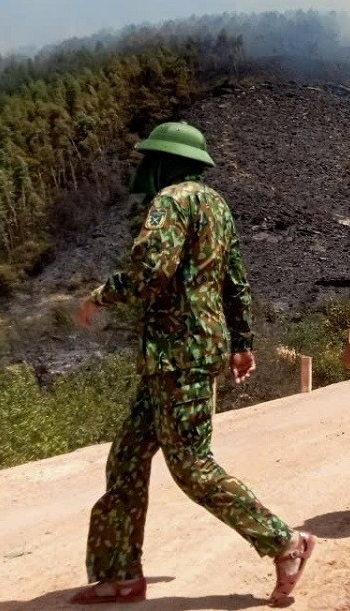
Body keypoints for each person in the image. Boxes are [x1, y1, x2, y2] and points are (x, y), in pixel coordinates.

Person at [72, 122, 314, 606]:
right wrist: (241, 342)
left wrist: (101, 296)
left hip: (176, 357)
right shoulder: (218, 207)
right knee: (126, 458)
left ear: (163, 162)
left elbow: (151, 272)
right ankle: (121, 575)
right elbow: (237, 283)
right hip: (178, 359)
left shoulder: (171, 202)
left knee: (191, 466)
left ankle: (284, 541)